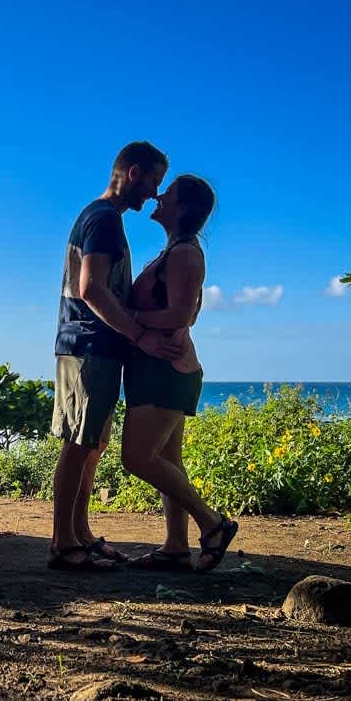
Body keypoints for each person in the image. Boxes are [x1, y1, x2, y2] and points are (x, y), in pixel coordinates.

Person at [49, 141, 184, 572]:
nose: (154, 193)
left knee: (93, 443)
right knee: (79, 443)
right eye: (153, 181)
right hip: (87, 346)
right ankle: (63, 544)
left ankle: (80, 533)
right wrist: (141, 335)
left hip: (98, 347)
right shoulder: (104, 218)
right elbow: (91, 288)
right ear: (133, 173)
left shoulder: (105, 218)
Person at [121, 174, 238, 572]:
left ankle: (213, 523)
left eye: (168, 193)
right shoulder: (175, 252)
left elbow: (181, 315)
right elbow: (189, 313)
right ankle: (174, 547)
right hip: (159, 368)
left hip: (167, 370)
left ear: (183, 207)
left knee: (138, 457)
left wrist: (130, 317)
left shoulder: (185, 253)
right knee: (169, 460)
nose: (158, 195)